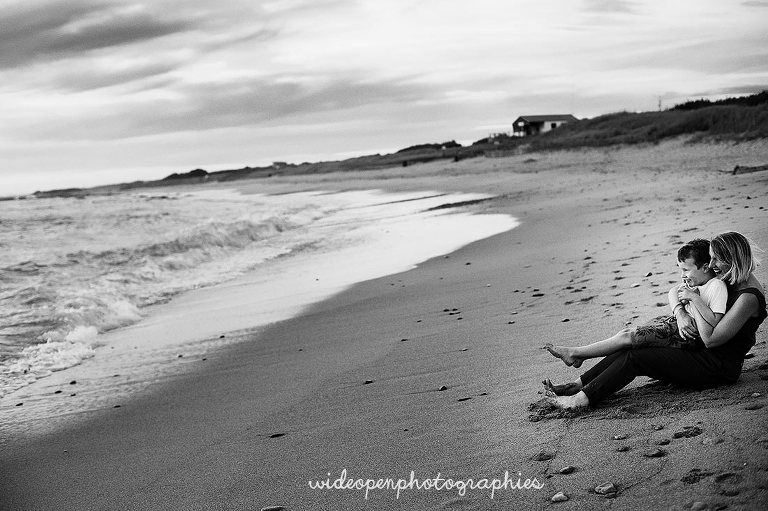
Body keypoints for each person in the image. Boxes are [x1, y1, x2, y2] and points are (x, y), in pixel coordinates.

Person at [543, 231, 766, 410]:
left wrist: (694, 302)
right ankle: (578, 385)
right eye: (711, 257)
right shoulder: (729, 278)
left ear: (732, 259)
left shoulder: (748, 297)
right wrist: (680, 313)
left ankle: (582, 400)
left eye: (717, 258)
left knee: (635, 358)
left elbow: (711, 340)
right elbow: (677, 290)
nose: (712, 263)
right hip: (697, 350)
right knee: (634, 344)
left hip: (715, 366)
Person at [542, 239, 727, 369]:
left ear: (704, 267)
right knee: (626, 335)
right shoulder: (696, 283)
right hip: (674, 323)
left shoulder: (715, 286)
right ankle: (580, 365)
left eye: (686, 270)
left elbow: (715, 322)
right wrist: (680, 311)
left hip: (685, 336)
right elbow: (673, 292)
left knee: (628, 337)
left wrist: (694, 299)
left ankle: (575, 353)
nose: (682, 275)